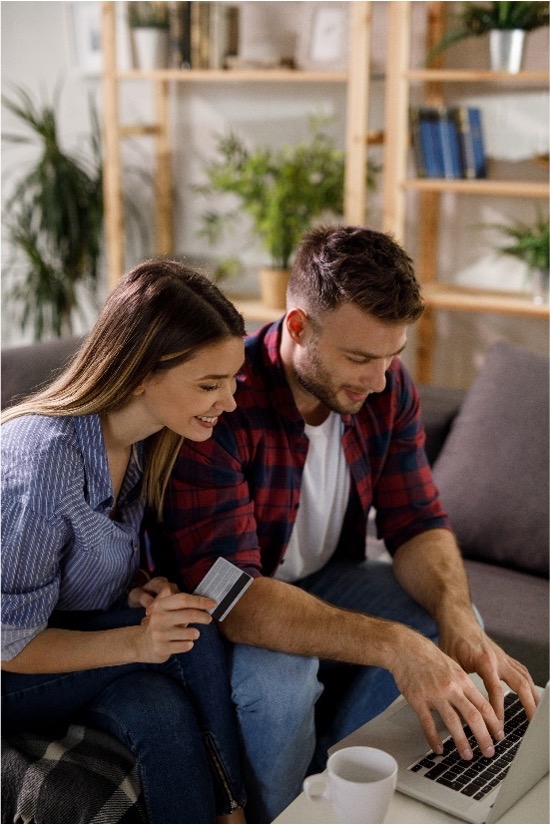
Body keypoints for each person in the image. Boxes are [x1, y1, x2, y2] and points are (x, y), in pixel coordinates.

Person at [148, 226, 539, 823]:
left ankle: (353, 791)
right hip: (235, 605)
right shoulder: (222, 402)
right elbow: (239, 599)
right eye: (359, 358)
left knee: (458, 618)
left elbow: (418, 522)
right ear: (298, 326)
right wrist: (396, 646)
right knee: (282, 682)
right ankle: (286, 814)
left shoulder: (384, 389)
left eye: (391, 357)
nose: (379, 379)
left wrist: (456, 621)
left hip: (327, 581)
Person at [1, 259, 248, 824]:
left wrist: (137, 590)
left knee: (159, 711)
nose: (228, 401)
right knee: (194, 636)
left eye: (232, 380)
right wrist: (138, 643)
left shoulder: (139, 445)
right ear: (142, 374)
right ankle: (239, 811)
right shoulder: (41, 462)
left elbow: (77, 567)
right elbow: (7, 641)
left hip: (63, 643)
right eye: (209, 385)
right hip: (8, 669)